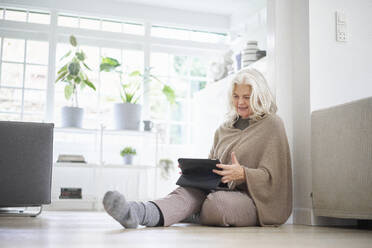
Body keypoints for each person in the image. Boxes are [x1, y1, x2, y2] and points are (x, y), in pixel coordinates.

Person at [103, 68, 292, 228]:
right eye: (236, 96)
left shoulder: (272, 125)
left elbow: (276, 177)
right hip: (217, 191)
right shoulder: (224, 129)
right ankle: (137, 212)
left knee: (217, 205)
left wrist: (243, 174)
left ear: (259, 96)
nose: (240, 102)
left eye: (246, 97)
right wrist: (195, 173)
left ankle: (184, 211)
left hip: (253, 201)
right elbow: (213, 165)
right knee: (186, 192)